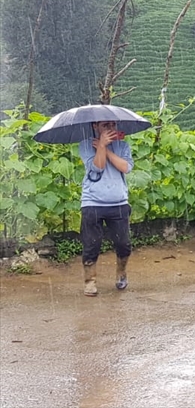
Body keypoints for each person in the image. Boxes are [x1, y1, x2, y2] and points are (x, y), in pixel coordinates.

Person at [79, 120, 134, 297]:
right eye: (105, 125)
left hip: (118, 202)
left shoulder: (123, 145)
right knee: (91, 244)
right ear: (95, 126)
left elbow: (125, 167)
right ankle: (90, 282)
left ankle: (121, 272)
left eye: (113, 125)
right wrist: (100, 146)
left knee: (123, 244)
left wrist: (107, 149)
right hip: (92, 202)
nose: (110, 129)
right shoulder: (86, 145)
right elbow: (97, 167)